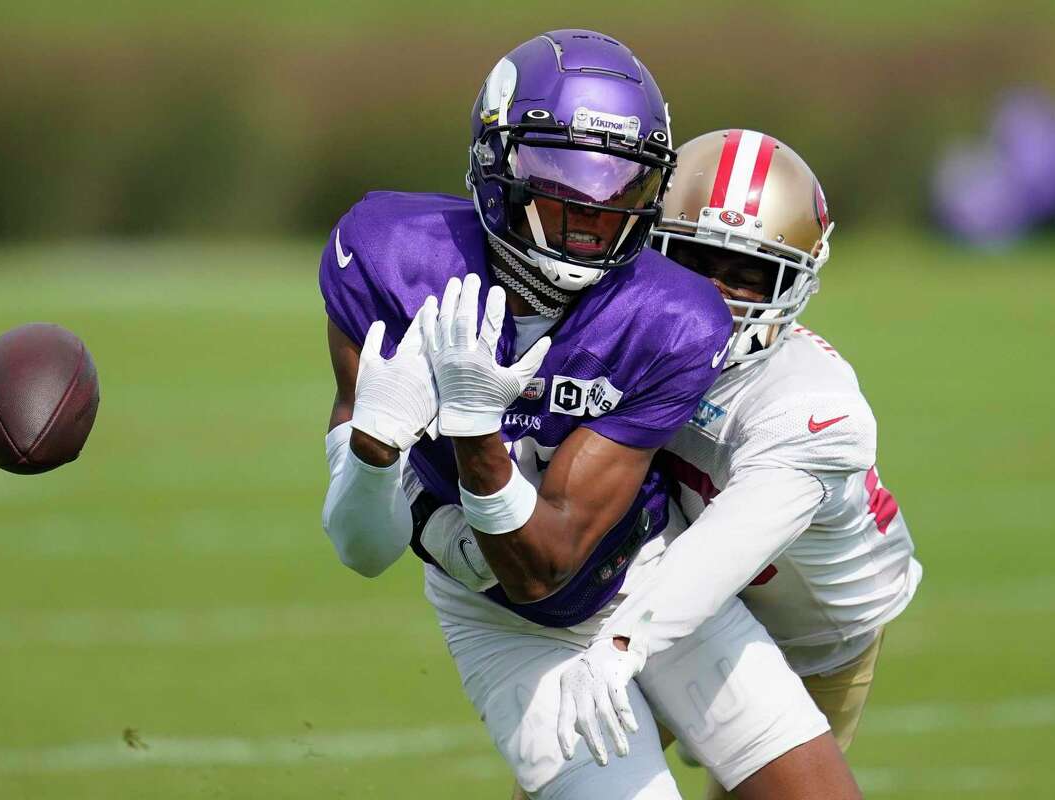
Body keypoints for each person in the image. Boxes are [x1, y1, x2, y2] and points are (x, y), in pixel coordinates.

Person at [320, 33, 859, 799]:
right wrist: (373, 453)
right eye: (560, 170)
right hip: (504, 623)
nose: (591, 205)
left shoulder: (671, 315)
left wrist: (477, 438)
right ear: (496, 161)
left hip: (641, 572)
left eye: (621, 179)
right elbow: (364, 550)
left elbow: (554, 556)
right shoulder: (390, 257)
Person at [551, 130, 922, 798]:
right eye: (695, 260)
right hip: (669, 590)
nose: (718, 294)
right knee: (569, 778)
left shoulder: (811, 406)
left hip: (810, 640)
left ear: (797, 282)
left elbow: (722, 551)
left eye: (751, 274)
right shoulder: (619, 333)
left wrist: (622, 645)